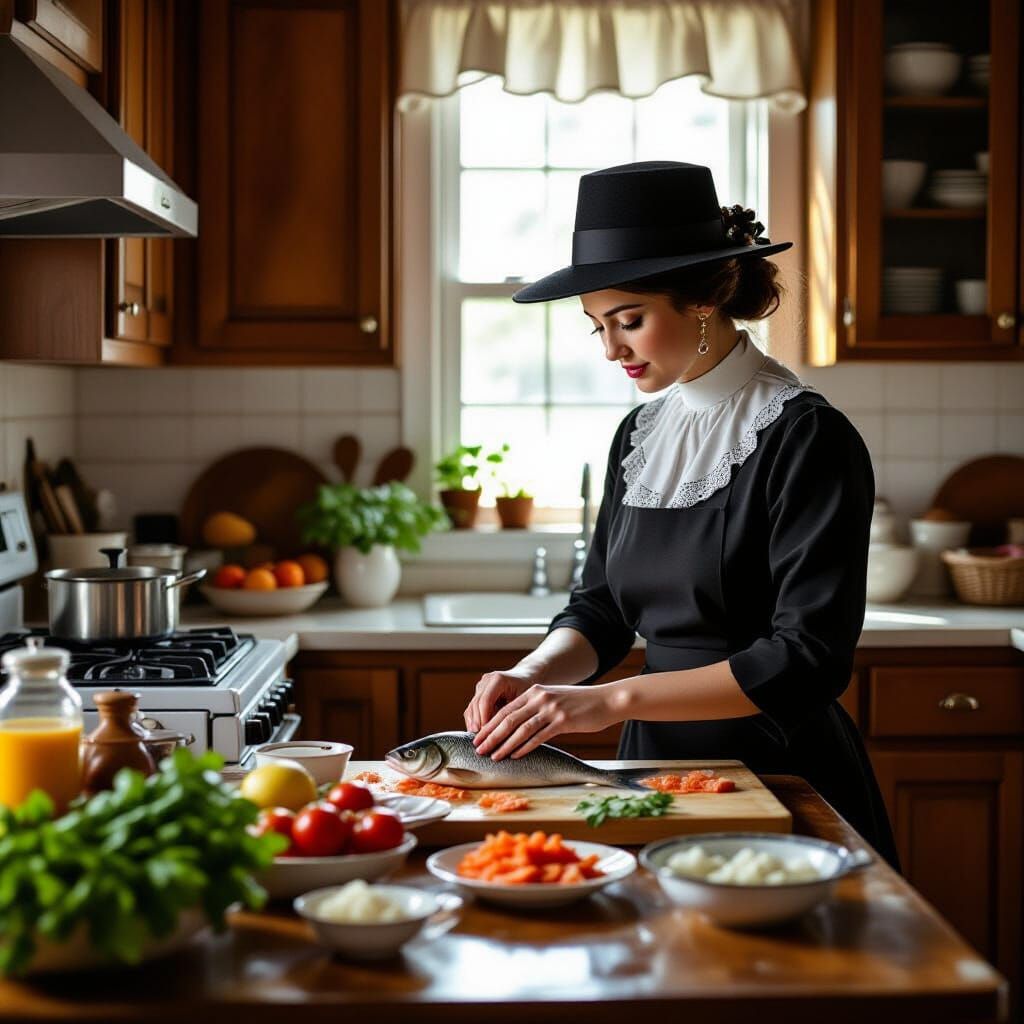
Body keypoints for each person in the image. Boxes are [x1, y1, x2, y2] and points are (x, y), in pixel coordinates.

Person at [462, 161, 899, 868]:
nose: (611, 350)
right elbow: (601, 609)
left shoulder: (807, 437)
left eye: (629, 321)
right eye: (596, 327)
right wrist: (535, 673)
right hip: (652, 774)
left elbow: (807, 659)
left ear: (700, 301)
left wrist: (611, 702)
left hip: (782, 770)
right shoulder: (638, 436)